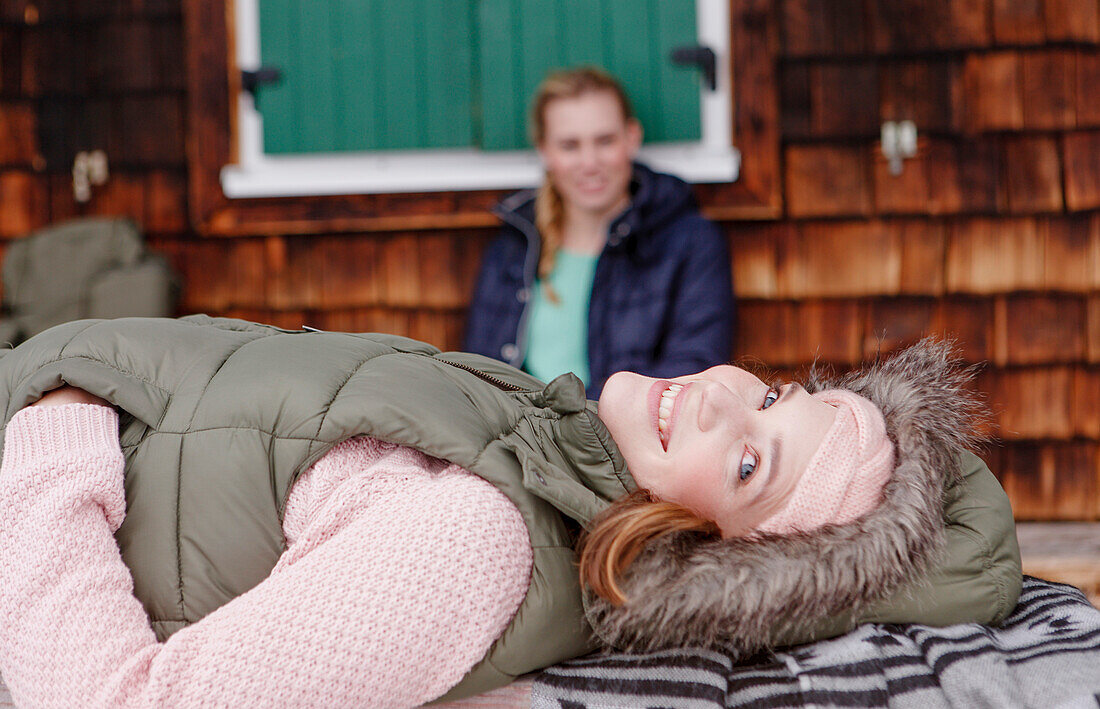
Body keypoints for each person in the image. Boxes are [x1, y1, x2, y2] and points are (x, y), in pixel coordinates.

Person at [0, 316, 1019, 706]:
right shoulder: (540, 447)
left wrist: (55, 423)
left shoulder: (474, 544)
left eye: (749, 460)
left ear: (715, 560)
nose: (718, 394)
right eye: (774, 395)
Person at [464, 66, 734, 398]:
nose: (589, 162)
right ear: (544, 150)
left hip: (623, 441)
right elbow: (477, 371)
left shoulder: (690, 242)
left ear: (632, 138)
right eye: (569, 145)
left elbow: (696, 367)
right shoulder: (512, 247)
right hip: (520, 440)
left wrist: (574, 420)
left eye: (605, 141)